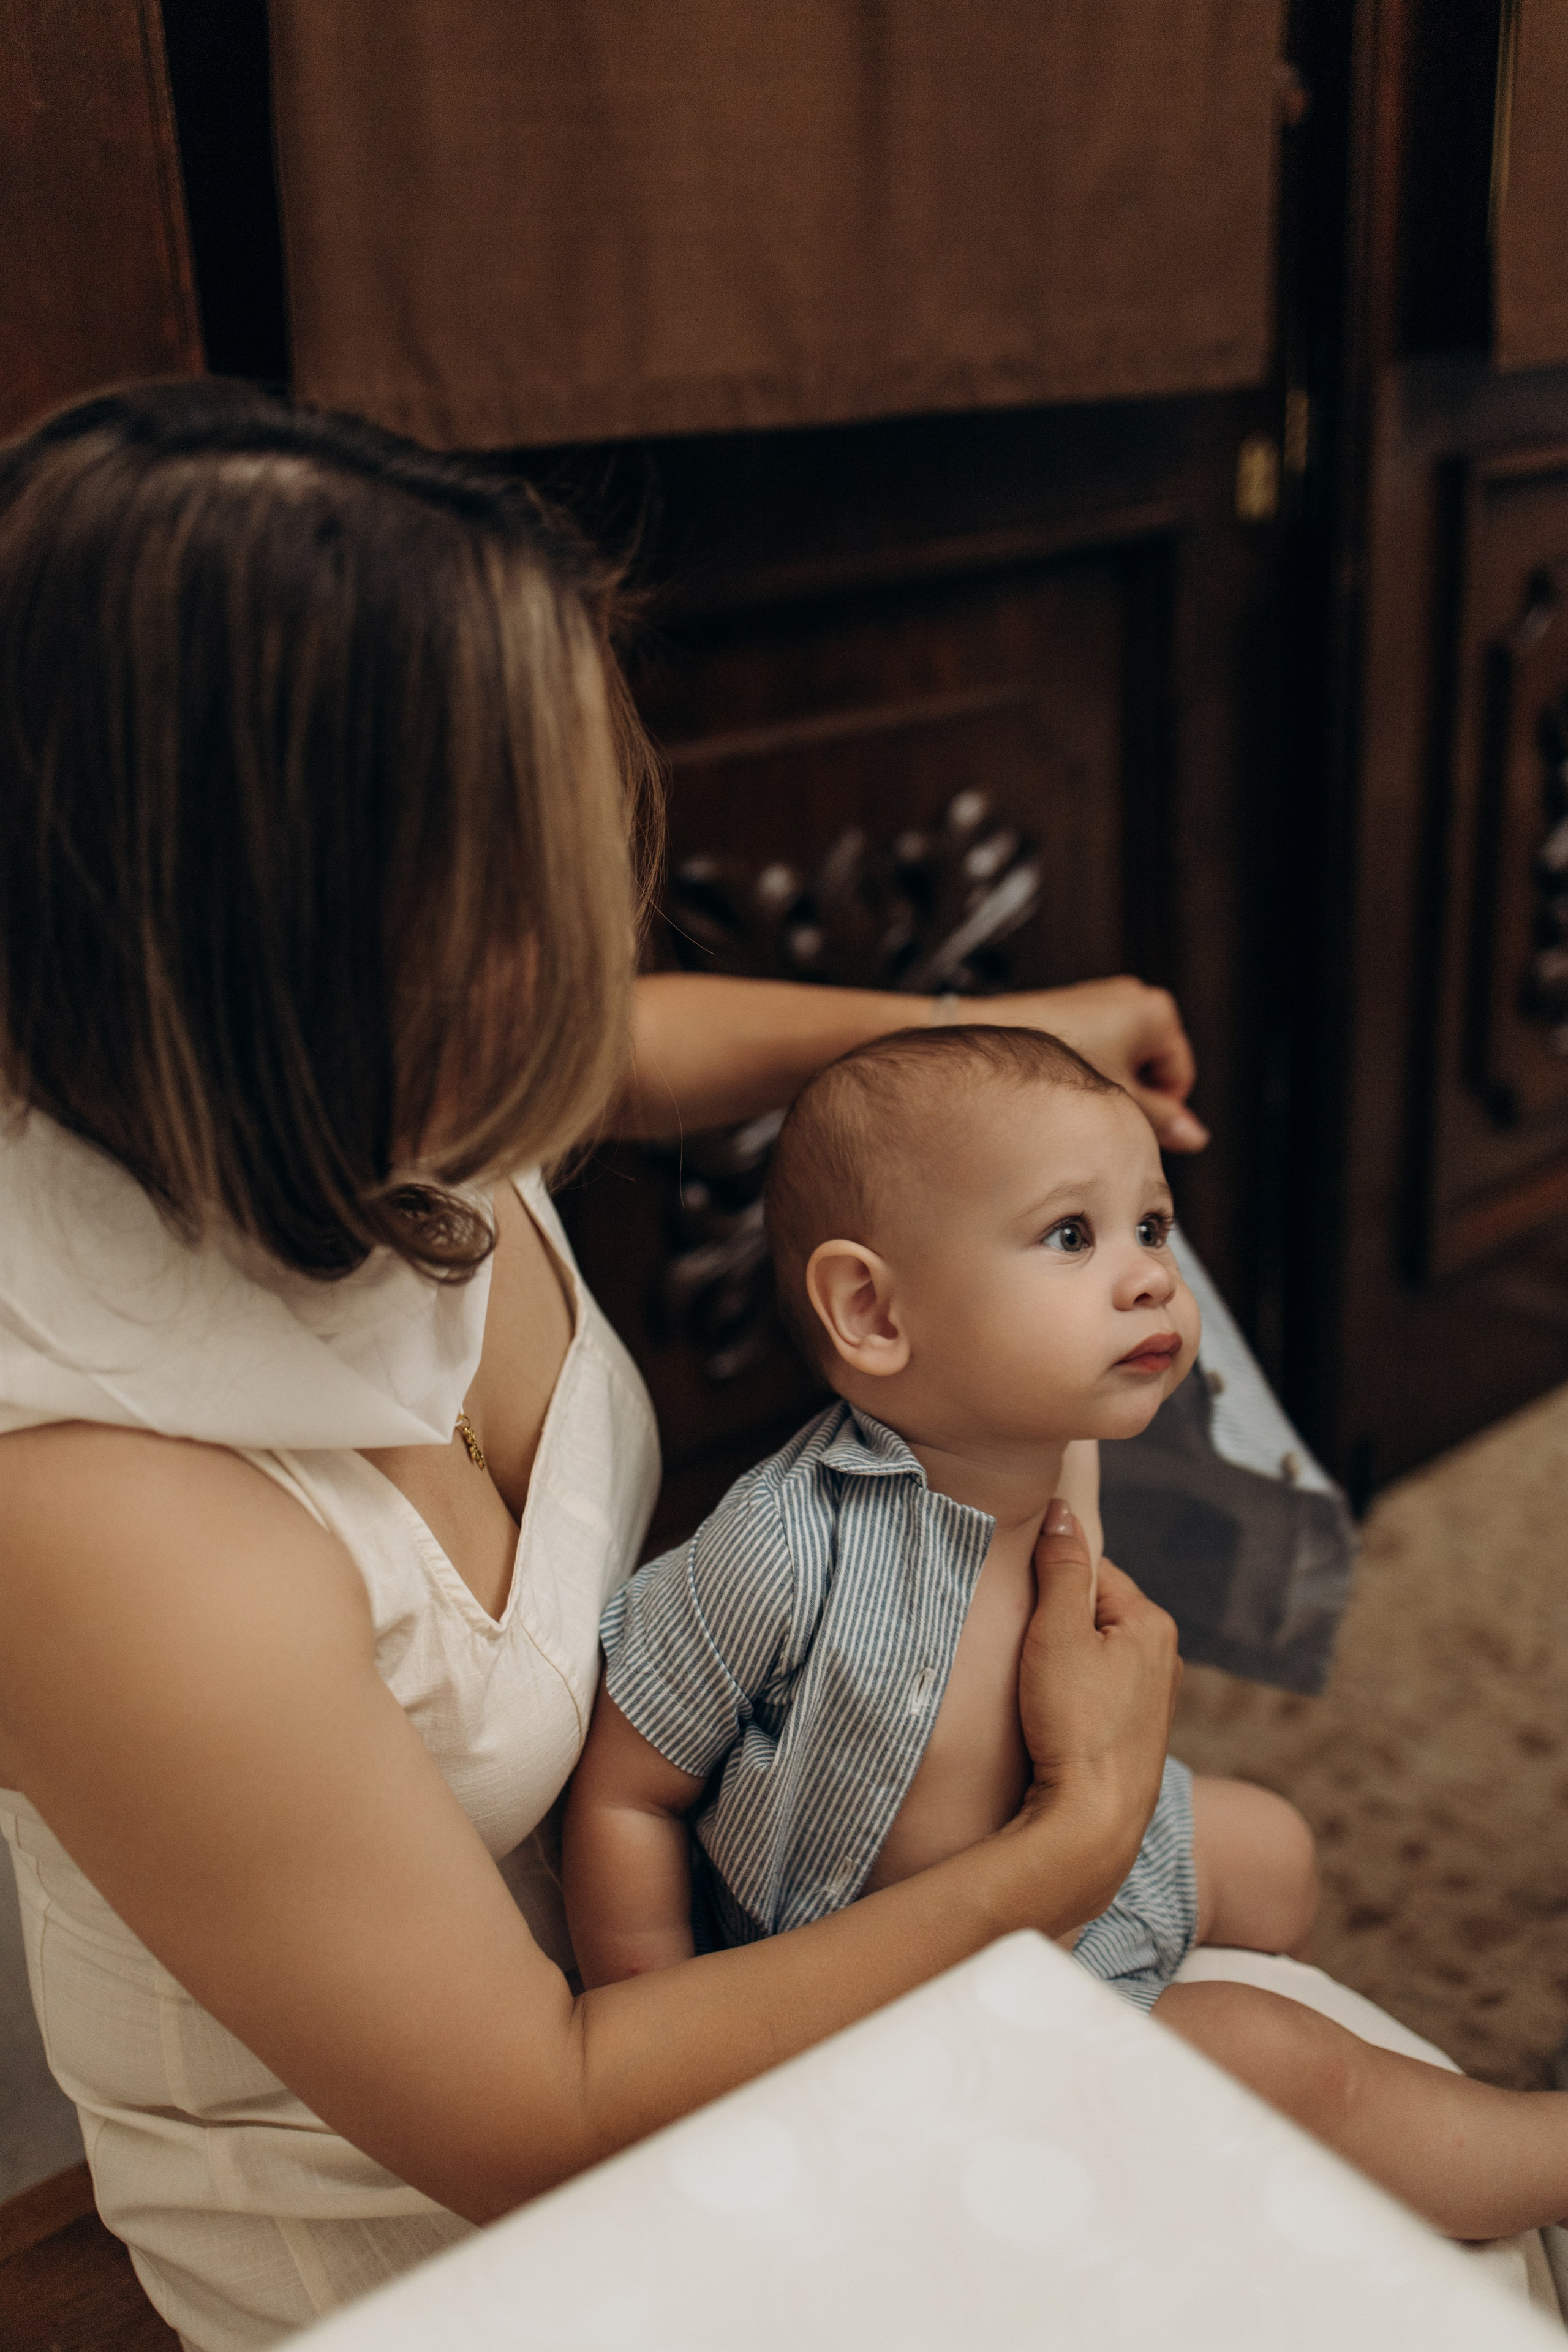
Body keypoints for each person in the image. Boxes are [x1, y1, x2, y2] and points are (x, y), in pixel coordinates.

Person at [0, 381, 1195, 2350]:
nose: (597, 918)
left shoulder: (368, 1077)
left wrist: (986, 1027)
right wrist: (1070, 1837)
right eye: (524, 879)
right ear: (280, 945)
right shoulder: (98, 1515)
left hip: (707, 1937)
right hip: (437, 2216)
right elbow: (536, 2123)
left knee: (1283, 2029)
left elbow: (623, 1045)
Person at [566, 1025, 1568, 2242]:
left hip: (1075, 1864)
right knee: (1275, 2061)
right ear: (871, 1311)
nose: (1150, 1275)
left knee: (1275, 1849)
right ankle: (1522, 2152)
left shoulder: (1051, 1451)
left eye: (1149, 1227)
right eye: (1068, 1236)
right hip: (902, 1988)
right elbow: (628, 1789)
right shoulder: (778, 1547)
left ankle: (1196, 2100)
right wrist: (667, 2035)